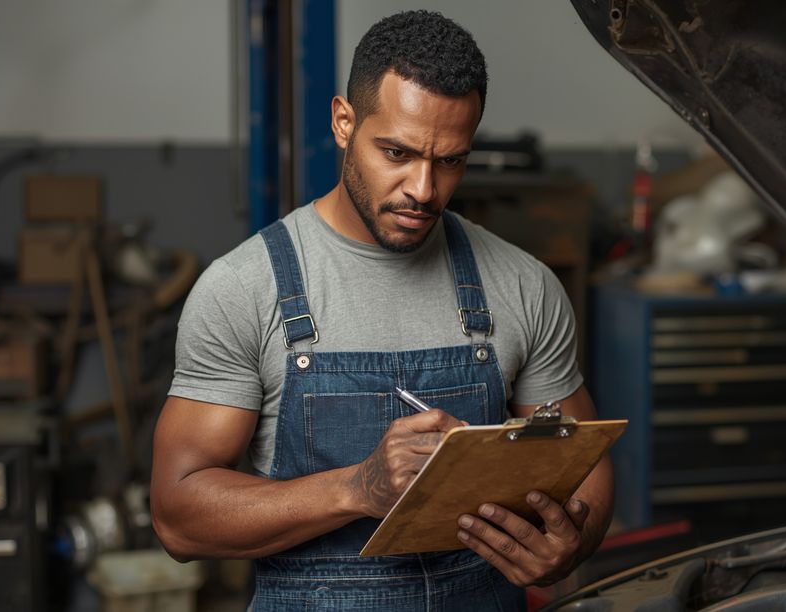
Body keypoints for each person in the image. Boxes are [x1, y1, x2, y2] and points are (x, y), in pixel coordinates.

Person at [150, 9, 613, 611]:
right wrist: (357, 487)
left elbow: (586, 468)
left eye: (449, 161)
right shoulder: (244, 288)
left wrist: (570, 545)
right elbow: (179, 517)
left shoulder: (522, 285)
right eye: (396, 152)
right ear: (344, 122)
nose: (423, 189)